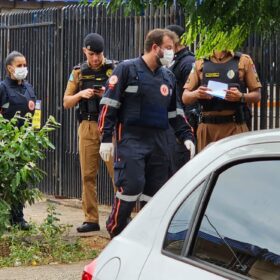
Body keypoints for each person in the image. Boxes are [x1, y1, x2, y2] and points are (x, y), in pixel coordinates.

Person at [98, 28, 195, 238]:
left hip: (160, 141)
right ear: (155, 47)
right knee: (132, 185)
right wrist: (105, 138)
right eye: (168, 48)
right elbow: (109, 105)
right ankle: (116, 228)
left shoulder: (168, 76)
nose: (172, 53)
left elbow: (175, 112)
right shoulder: (126, 69)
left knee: (155, 192)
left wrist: (186, 136)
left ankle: (145, 235)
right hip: (132, 139)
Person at [63, 33, 115, 233]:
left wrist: (107, 93)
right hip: (87, 125)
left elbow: (126, 98)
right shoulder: (78, 73)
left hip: (109, 126)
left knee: (116, 174)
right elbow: (66, 102)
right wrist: (80, 94)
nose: (95, 58)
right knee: (87, 175)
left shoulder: (114, 69)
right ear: (85, 51)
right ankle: (91, 219)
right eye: (92, 54)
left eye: (99, 54)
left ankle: (122, 215)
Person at [182, 50, 262, 152]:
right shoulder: (201, 61)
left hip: (234, 126)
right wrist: (197, 93)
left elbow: (257, 95)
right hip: (207, 129)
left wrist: (241, 96)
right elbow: (185, 97)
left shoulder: (243, 60)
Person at [0, 51, 36, 230]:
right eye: (19, 65)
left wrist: (35, 135)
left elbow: (35, 112)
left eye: (24, 65)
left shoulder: (29, 88)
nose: (23, 69)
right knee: (6, 180)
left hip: (25, 142)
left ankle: (18, 218)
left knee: (20, 181)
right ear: (9, 68)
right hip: (6, 142)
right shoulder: (2, 88)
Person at [166, 24, 197, 173]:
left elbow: (192, 97)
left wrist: (186, 126)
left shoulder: (187, 62)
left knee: (180, 168)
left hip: (183, 123)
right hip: (172, 123)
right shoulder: (174, 61)